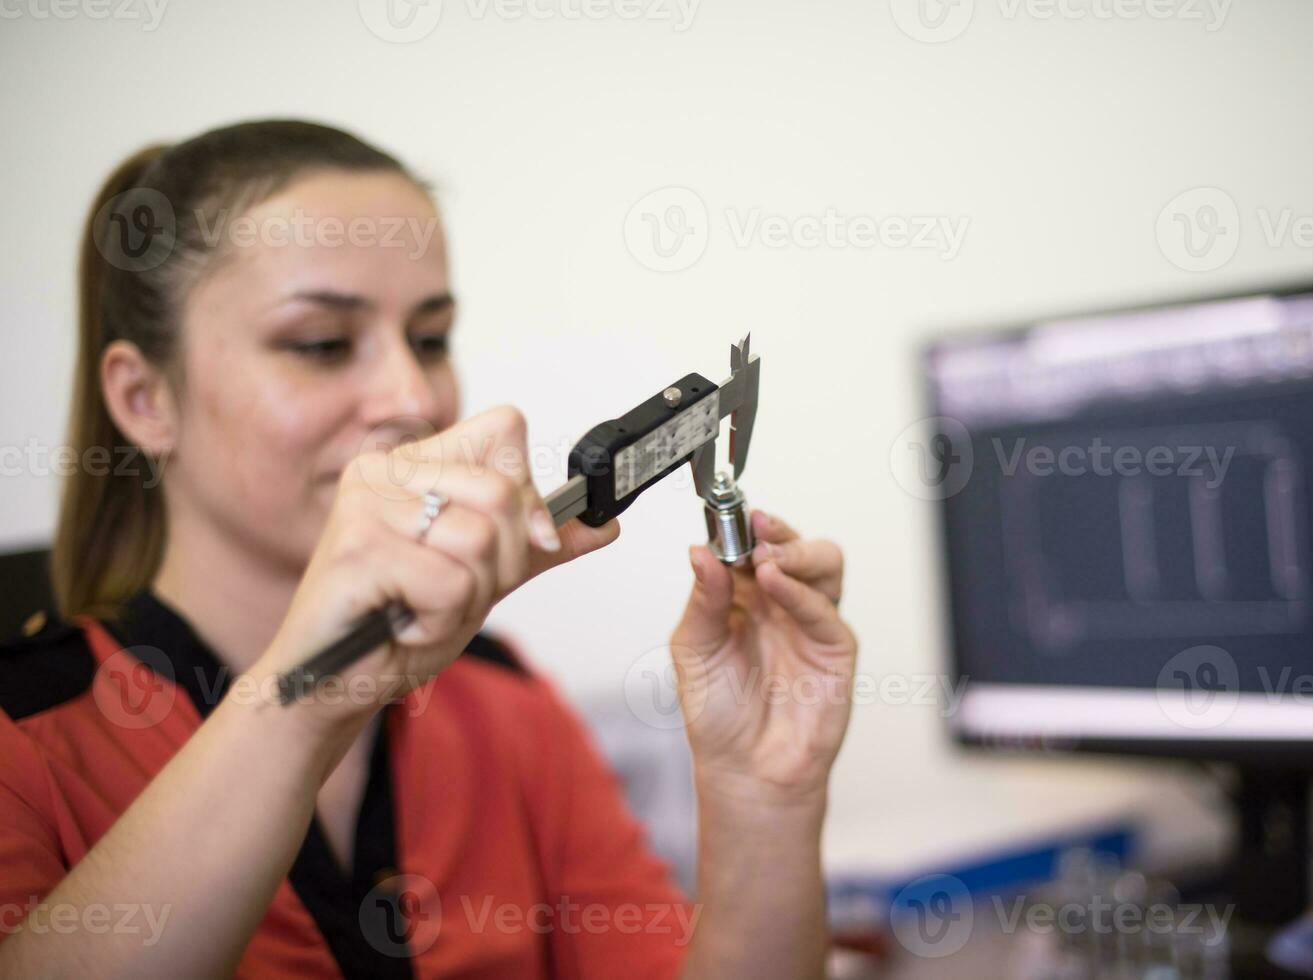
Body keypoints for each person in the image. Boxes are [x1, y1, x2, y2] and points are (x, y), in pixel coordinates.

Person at [0, 120, 857, 978]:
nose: (412, 397)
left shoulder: (503, 710)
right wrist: (307, 698)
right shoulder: (25, 743)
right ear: (145, 398)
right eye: (322, 345)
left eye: (431, 338)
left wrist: (761, 800)